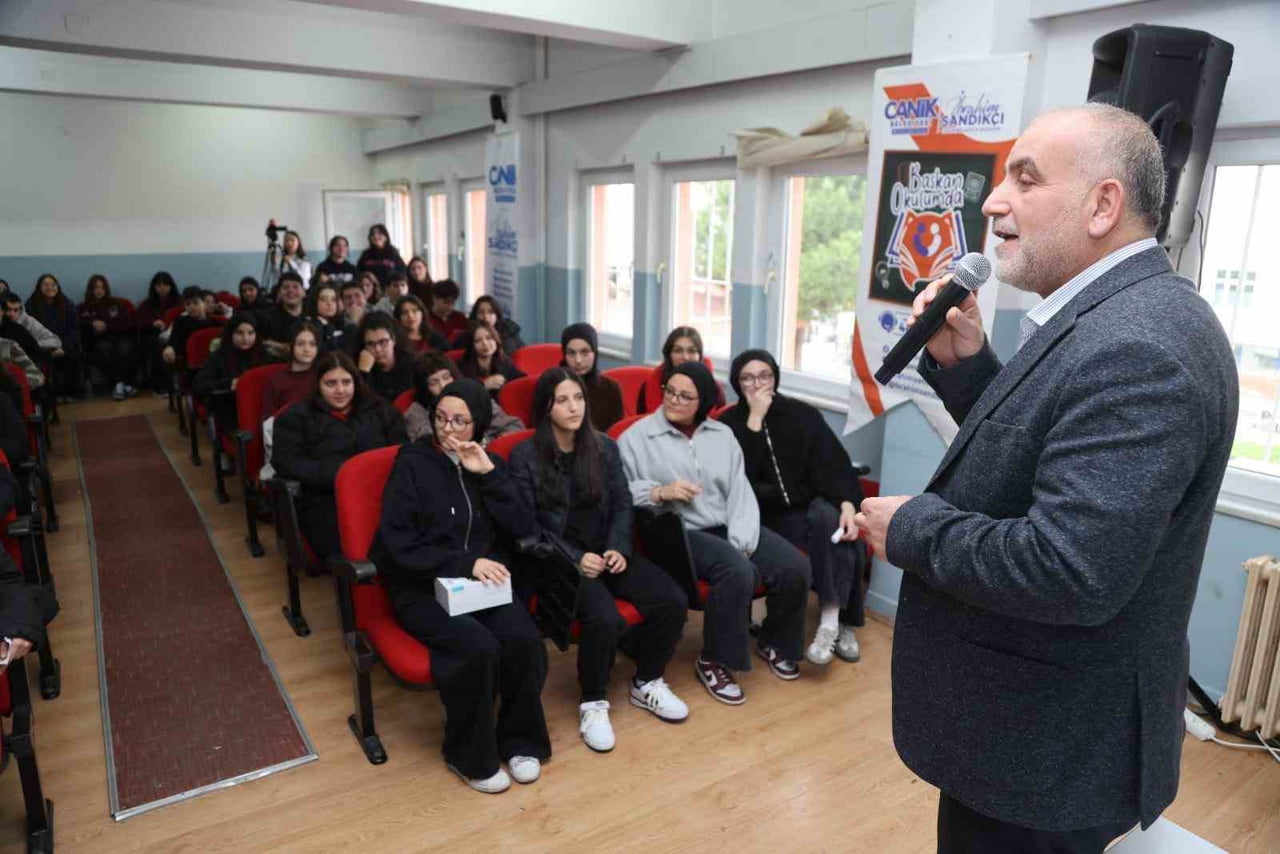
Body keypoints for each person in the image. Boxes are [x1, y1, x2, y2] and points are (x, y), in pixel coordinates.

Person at [852, 104, 1238, 852]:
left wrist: (909, 529)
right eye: (1001, 178)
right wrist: (967, 371)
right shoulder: (1108, 316)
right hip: (1030, 739)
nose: (994, 200)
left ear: (1103, 205)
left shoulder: (1141, 346)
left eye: (1025, 179)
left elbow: (1069, 568)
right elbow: (1047, 456)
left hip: (1049, 758)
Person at [369, 378, 550, 793]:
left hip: (480, 587)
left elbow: (524, 528)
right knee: (478, 648)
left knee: (522, 638)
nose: (449, 430)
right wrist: (467, 563)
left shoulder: (490, 465)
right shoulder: (411, 463)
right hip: (421, 585)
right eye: (441, 419)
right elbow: (398, 545)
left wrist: (488, 476)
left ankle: (519, 740)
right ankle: (468, 755)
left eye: (461, 422)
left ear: (480, 425)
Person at [511, 369, 690, 751]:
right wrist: (576, 559)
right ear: (545, 406)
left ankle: (648, 681)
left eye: (578, 397)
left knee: (672, 599)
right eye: (562, 400)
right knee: (604, 618)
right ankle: (593, 702)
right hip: (560, 563)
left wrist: (619, 547)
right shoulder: (525, 456)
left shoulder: (605, 447)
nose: (573, 407)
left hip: (608, 552)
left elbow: (624, 503)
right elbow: (526, 530)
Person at [618, 361, 810, 704]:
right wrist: (659, 492)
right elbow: (619, 491)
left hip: (728, 524)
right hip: (679, 531)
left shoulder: (722, 435)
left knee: (794, 566)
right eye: (669, 392)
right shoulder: (637, 437)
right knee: (737, 571)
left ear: (703, 400)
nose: (673, 400)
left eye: (685, 396)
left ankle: (775, 640)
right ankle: (715, 659)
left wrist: (744, 539)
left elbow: (740, 492)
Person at [720, 349, 867, 665]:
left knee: (841, 529)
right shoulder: (729, 424)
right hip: (762, 518)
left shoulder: (801, 414)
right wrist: (755, 421)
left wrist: (846, 504)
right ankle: (845, 621)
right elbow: (737, 479)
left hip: (805, 510)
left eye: (764, 376)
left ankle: (829, 620)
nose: (757, 384)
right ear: (737, 383)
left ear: (775, 378)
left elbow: (833, 463)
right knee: (840, 539)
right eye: (747, 378)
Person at [273, 351, 405, 560]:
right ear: (318, 385)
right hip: (326, 497)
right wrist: (341, 474)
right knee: (356, 550)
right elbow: (287, 462)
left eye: (346, 382)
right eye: (331, 383)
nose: (340, 390)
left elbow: (401, 449)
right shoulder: (296, 417)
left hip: (381, 491)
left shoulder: (379, 408)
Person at [404, 351, 525, 444]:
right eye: (434, 383)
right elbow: (435, 445)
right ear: (424, 388)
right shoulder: (416, 413)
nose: (444, 385)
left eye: (446, 377)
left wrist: (494, 444)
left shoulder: (475, 394)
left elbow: (514, 426)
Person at [192, 312, 268, 434]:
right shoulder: (218, 357)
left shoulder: (263, 355)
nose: (246, 338)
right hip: (229, 407)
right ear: (230, 334)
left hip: (259, 407)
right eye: (239, 333)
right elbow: (200, 386)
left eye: (250, 333)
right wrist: (229, 384)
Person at [636, 326, 725, 413]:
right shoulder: (649, 386)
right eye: (677, 351)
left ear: (700, 356)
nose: (685, 357)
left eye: (691, 351)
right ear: (669, 355)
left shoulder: (715, 390)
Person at [79, 273, 137, 400]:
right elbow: (81, 325)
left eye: (102, 287)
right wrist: (92, 324)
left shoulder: (116, 304)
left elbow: (126, 323)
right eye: (96, 287)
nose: (99, 290)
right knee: (105, 349)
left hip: (118, 336)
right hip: (97, 341)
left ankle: (120, 385)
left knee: (126, 348)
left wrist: (107, 325)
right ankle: (122, 385)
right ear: (90, 289)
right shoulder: (83, 307)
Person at [560, 322, 623, 431]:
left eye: (585, 352)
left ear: (595, 353)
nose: (578, 360)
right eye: (571, 353)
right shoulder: (551, 386)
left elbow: (615, 433)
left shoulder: (610, 389)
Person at [25, 273, 80, 397]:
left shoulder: (67, 304)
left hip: (64, 345)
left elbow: (74, 330)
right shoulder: (31, 305)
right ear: (39, 287)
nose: (50, 287)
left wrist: (63, 347)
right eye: (46, 285)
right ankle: (50, 396)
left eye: (53, 284)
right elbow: (30, 332)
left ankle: (69, 394)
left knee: (72, 359)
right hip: (43, 346)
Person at [134, 272, 182, 394]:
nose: (162, 288)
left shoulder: (179, 301)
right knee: (159, 345)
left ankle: (176, 383)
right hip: (153, 336)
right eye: (159, 285)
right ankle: (160, 385)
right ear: (154, 287)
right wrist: (153, 323)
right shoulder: (147, 304)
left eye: (166, 285)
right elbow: (139, 321)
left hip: (175, 334)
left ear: (171, 286)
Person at [261, 321, 319, 422]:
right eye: (300, 344)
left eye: (312, 344)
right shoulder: (277, 381)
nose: (307, 349)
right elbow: (267, 421)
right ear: (290, 346)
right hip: (288, 433)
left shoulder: (323, 376)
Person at [356, 312, 418, 401]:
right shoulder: (362, 368)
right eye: (370, 344)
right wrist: (363, 373)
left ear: (393, 340)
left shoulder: (413, 365)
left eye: (383, 342)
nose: (377, 349)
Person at [457, 320, 524, 398]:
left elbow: (523, 380)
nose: (485, 344)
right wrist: (485, 385)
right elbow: (462, 395)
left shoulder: (504, 362)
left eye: (489, 338)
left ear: (496, 340)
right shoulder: (462, 367)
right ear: (471, 346)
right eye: (478, 341)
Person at [162, 286, 214, 372]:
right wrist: (170, 348)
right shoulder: (181, 321)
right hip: (188, 361)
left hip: (210, 360)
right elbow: (174, 342)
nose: (192, 306)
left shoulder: (214, 321)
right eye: (188, 304)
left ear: (204, 303)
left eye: (195, 302)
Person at [304, 281, 355, 353]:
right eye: (323, 299)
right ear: (315, 302)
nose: (329, 303)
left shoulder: (342, 324)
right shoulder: (309, 325)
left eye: (333, 300)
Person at [258, 271, 306, 346]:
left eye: (295, 287)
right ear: (279, 293)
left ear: (304, 292)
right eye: (286, 287)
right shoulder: (266, 317)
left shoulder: (312, 317)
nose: (290, 290)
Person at [356, 224, 406, 290]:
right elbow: (358, 273)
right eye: (373, 234)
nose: (376, 236)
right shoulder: (365, 254)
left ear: (385, 237)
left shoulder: (393, 253)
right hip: (370, 291)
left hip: (389, 290)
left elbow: (402, 273)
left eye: (379, 233)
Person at [426, 279, 469, 344]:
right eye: (446, 302)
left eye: (453, 302)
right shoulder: (426, 319)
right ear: (435, 298)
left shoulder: (460, 318)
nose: (450, 306)